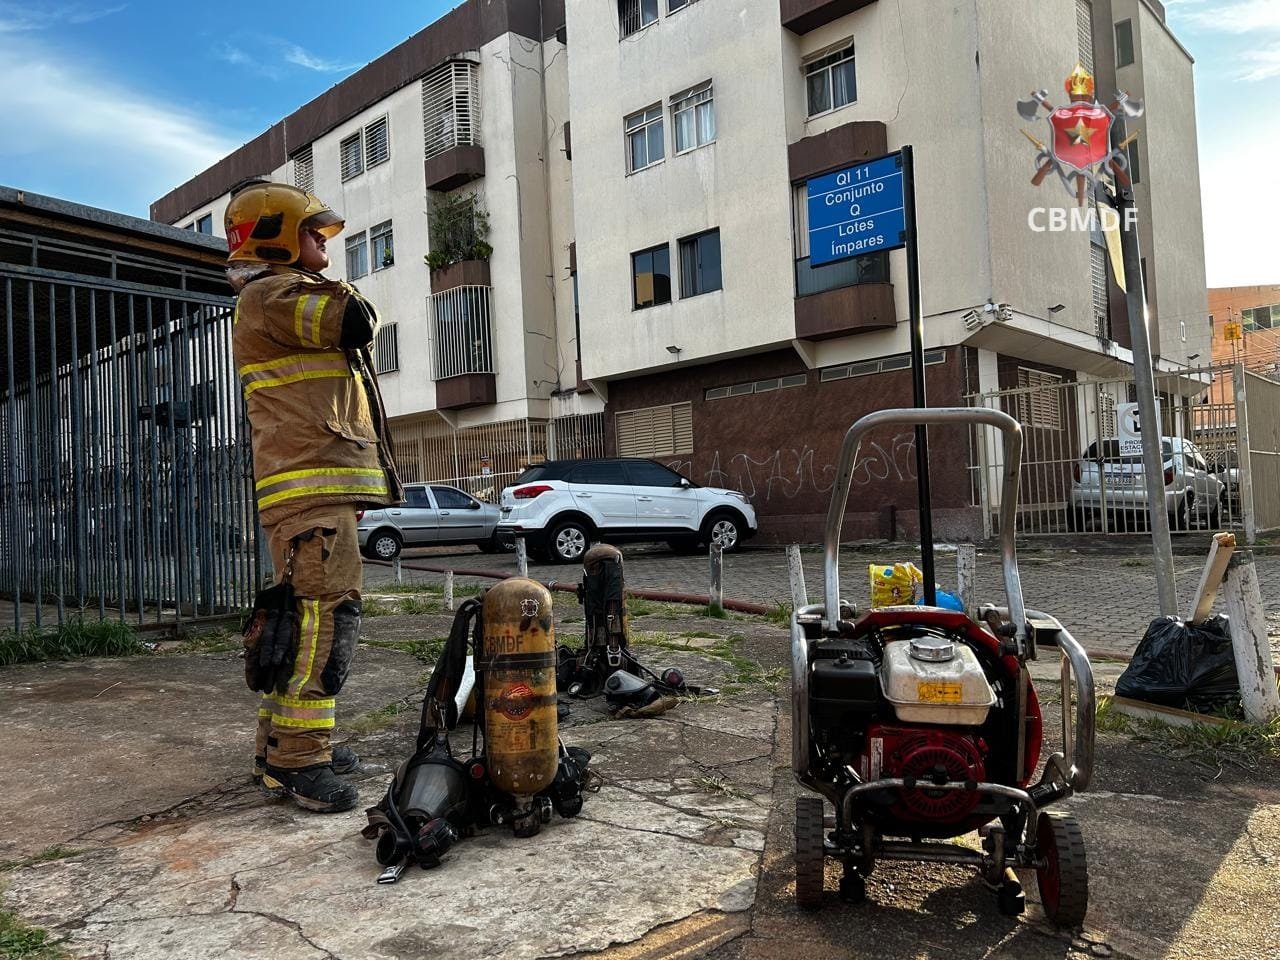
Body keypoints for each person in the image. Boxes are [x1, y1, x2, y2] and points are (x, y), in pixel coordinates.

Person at [225, 180, 403, 812]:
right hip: (309, 495)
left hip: (315, 494)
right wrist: (327, 278)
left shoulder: (271, 297)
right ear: (276, 238)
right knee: (324, 623)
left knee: (297, 621)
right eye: (313, 232)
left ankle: (280, 745)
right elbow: (355, 320)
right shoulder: (275, 294)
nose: (325, 242)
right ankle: (301, 760)